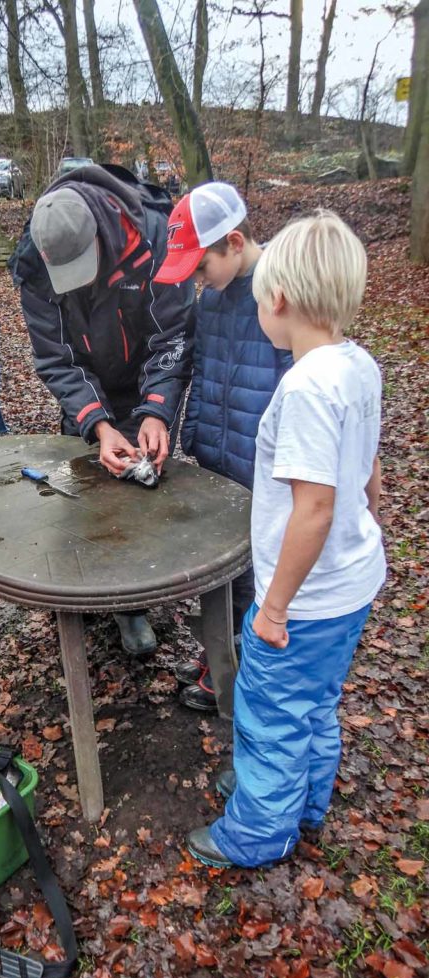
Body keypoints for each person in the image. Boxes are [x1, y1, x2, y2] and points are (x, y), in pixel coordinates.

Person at [186, 210, 386, 868]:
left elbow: (315, 508)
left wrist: (272, 608)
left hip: (301, 602)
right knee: (316, 703)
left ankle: (258, 832)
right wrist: (372, 527)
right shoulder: (359, 367)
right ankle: (304, 801)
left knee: (270, 711)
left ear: (276, 300)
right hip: (352, 585)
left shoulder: (304, 387)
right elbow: (367, 473)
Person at [9, 163, 195, 656]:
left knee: (140, 489)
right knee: (88, 485)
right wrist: (96, 421)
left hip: (142, 377)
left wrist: (156, 409)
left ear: (102, 234)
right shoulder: (34, 263)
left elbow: (172, 335)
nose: (69, 283)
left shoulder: (153, 235)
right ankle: (84, 592)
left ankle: (134, 603)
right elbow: (56, 357)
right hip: (89, 382)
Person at [153, 181, 293, 712]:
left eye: (199, 265)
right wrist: (162, 417)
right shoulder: (209, 299)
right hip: (215, 454)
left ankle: (237, 674)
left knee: (252, 575)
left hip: (263, 467)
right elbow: (185, 362)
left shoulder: (281, 294)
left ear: (234, 243)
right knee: (219, 569)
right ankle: (218, 653)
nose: (194, 278)